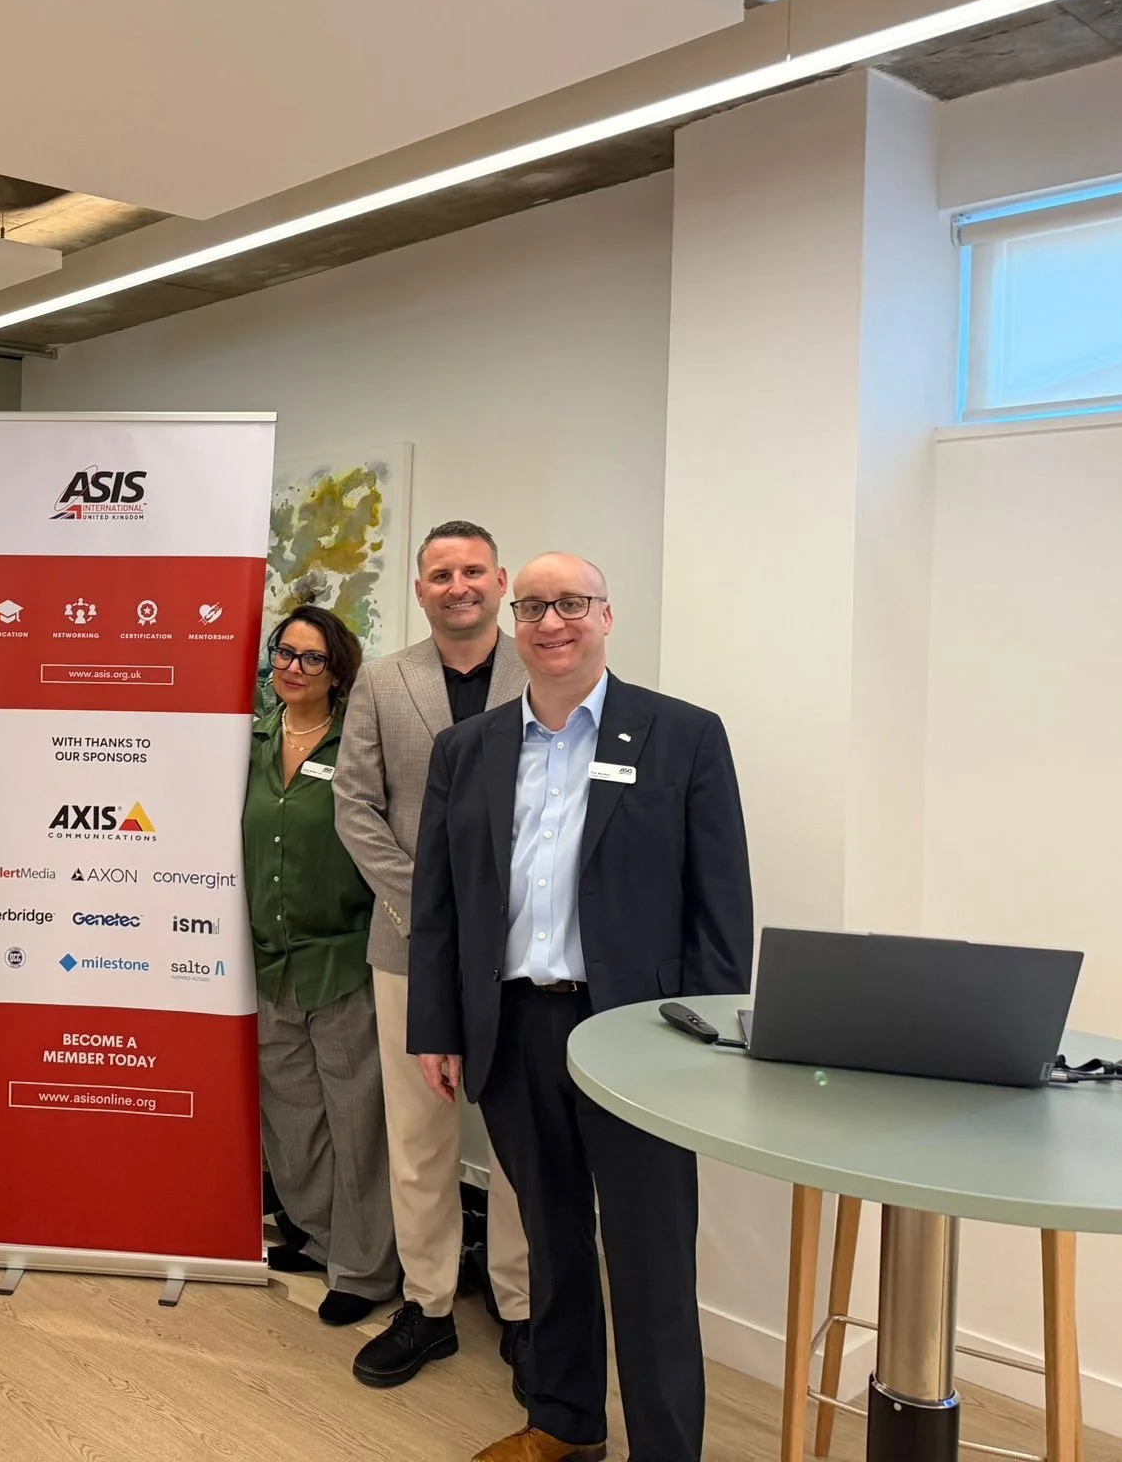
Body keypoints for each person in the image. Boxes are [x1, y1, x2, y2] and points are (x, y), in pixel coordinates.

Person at [408, 553, 752, 1462]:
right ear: (514, 622)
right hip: (513, 1029)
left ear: (606, 615)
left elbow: (722, 912)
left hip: (636, 1039)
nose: (551, 622)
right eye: (533, 607)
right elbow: (439, 904)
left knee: (650, 1259)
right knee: (550, 1243)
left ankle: (666, 1450)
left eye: (571, 604)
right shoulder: (468, 749)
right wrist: (437, 1026)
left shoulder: (682, 735)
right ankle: (563, 1425)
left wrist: (705, 1046)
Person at [332, 519, 533, 1389]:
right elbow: (354, 805)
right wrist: (436, 910)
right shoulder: (384, 682)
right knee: (418, 1136)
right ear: (420, 590)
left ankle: (525, 1305)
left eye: (474, 571)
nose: (459, 586)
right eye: (442, 574)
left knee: (525, 1138)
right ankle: (430, 1305)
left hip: (529, 947)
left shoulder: (545, 668)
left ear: (501, 582)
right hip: (410, 940)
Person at [245, 606, 400, 1330]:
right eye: (285, 652)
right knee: (293, 1119)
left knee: (358, 1123)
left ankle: (366, 1269)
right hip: (269, 962)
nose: (293, 668)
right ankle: (316, 1237)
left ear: (338, 672)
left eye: (312, 658)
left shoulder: (358, 744)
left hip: (342, 962)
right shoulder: (253, 739)